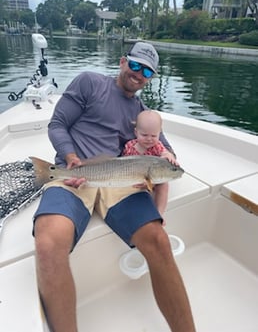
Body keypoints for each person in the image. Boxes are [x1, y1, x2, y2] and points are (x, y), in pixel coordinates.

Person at [33, 41, 196, 332]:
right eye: (134, 65)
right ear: (122, 62)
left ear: (150, 77)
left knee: (159, 241)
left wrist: (169, 156)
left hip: (115, 179)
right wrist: (71, 157)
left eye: (146, 71)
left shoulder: (141, 113)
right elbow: (57, 123)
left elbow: (163, 147)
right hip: (74, 175)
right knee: (47, 242)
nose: (138, 74)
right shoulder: (90, 83)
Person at [122, 109, 179, 217]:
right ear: (136, 132)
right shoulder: (129, 146)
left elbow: (165, 153)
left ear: (159, 134)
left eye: (153, 136)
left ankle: (159, 212)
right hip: (135, 179)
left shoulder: (157, 146)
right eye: (144, 135)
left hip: (154, 179)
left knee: (164, 185)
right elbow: (125, 166)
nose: (149, 139)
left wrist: (168, 155)